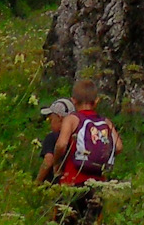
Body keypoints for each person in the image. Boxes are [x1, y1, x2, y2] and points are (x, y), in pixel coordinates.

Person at [39, 78, 120, 223]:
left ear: (73, 101)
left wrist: (57, 165)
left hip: (73, 183)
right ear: (97, 101)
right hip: (98, 185)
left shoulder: (72, 119)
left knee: (65, 220)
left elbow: (61, 144)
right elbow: (118, 146)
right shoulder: (106, 122)